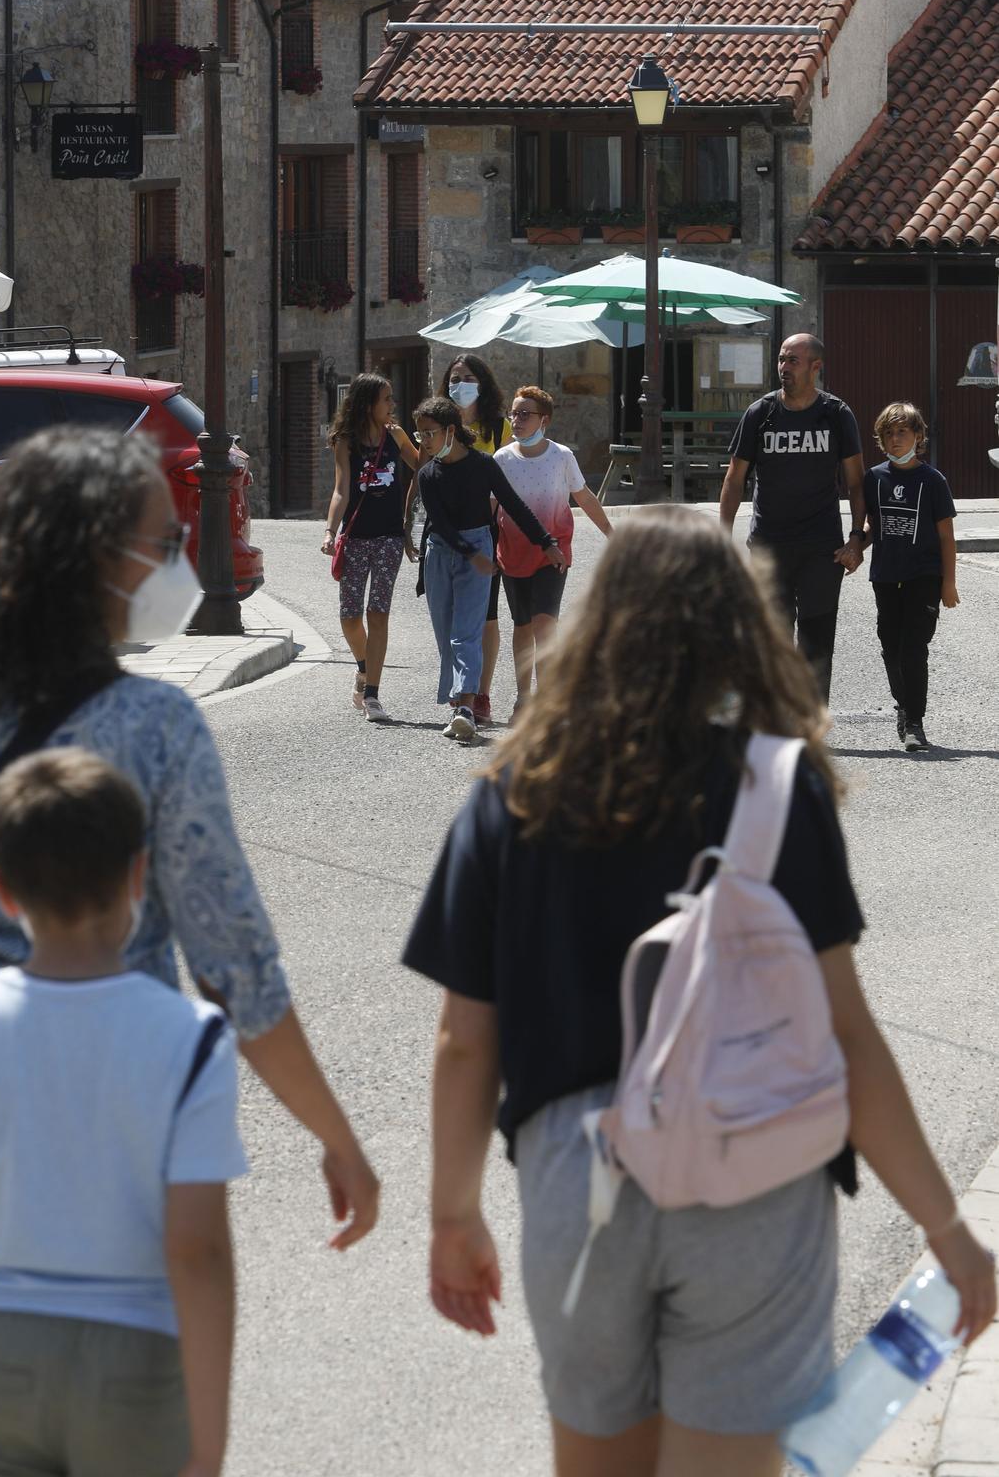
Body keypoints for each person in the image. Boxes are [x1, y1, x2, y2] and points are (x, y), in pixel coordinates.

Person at [403, 510, 995, 1477]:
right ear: (739, 628)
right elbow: (846, 1036)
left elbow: (465, 1041)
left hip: (576, 1180)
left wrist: (452, 1214)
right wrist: (947, 1231)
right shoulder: (777, 786)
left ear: (601, 624)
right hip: (753, 1173)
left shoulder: (515, 788)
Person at [0, 427, 379, 1257]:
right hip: (110, 1129)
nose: (179, 559)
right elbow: (232, 963)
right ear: (89, 561)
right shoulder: (151, 727)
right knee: (114, 1366)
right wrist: (335, 1135)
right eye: (163, 541)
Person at [0, 747, 243, 1477]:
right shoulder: (192, 1040)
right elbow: (197, 1254)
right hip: (131, 1363)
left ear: (2, 891)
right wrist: (207, 1448)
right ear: (138, 876)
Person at [720, 332, 865, 702]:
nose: (784, 367)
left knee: (816, 639)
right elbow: (735, 479)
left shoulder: (836, 414)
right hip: (769, 545)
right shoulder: (760, 413)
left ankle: (811, 720)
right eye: (782, 359)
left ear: (816, 367)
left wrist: (855, 538)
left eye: (793, 361)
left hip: (822, 547)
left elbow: (856, 482)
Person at [407, 395, 557, 743]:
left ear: (450, 431)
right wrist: (466, 553)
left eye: (429, 434)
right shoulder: (428, 474)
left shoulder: (484, 465)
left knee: (467, 632)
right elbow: (439, 524)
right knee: (445, 634)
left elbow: (514, 504)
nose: (424, 442)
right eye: (419, 435)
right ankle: (458, 700)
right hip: (441, 552)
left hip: (478, 545)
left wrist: (545, 541)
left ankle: (465, 708)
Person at [494, 385, 614, 714]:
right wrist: (484, 550)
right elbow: (489, 508)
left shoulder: (561, 456)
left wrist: (610, 532)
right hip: (512, 555)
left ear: (543, 420)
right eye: (513, 413)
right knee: (522, 625)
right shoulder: (501, 460)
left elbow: (584, 496)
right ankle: (523, 696)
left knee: (544, 622)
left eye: (524, 414)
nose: (516, 420)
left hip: (553, 554)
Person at [320, 373, 419, 722]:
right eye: (386, 398)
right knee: (349, 617)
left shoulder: (396, 435)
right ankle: (364, 668)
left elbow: (422, 466)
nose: (392, 404)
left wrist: (411, 516)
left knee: (378, 614)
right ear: (367, 403)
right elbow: (341, 489)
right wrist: (331, 531)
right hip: (357, 537)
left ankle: (373, 694)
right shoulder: (346, 441)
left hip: (389, 538)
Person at [864, 401, 958, 754]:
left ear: (918, 436)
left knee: (914, 647)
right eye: (888, 433)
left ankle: (914, 722)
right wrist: (856, 545)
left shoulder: (933, 481)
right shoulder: (874, 477)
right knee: (890, 645)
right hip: (886, 575)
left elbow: (946, 536)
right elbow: (873, 523)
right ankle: (903, 706)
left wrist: (948, 582)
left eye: (903, 431)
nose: (895, 438)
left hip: (925, 575)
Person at [437, 354, 511, 724]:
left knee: (485, 616)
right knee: (451, 615)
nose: (459, 383)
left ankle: (480, 692)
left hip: (487, 530)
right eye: (454, 377)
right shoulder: (439, 427)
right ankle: (460, 688)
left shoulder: (499, 429)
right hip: (445, 531)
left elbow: (507, 480)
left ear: (482, 383)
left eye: (467, 377)